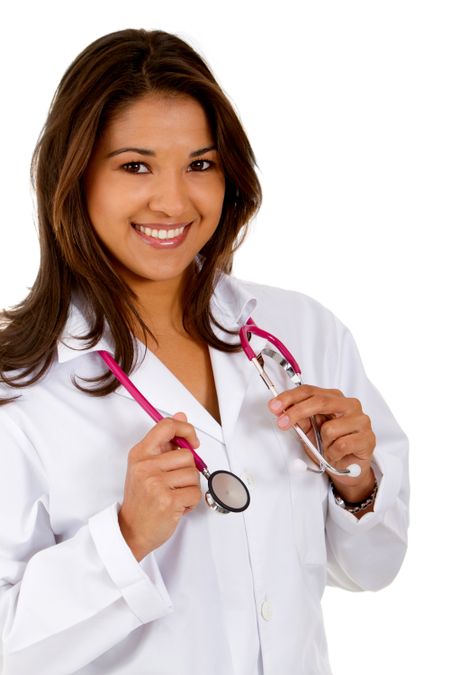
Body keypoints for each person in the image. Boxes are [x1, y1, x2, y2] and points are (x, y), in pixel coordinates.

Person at [0, 28, 409, 675]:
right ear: (75, 176)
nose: (174, 200)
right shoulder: (19, 391)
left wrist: (356, 483)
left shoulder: (304, 332)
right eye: (135, 165)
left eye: (200, 163)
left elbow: (376, 567)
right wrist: (128, 535)